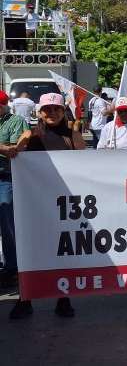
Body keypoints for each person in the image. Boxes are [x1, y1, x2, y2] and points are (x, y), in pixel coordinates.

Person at [8, 93, 85, 319]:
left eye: (56, 109)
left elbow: (86, 163)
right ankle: (26, 299)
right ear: (39, 112)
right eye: (47, 109)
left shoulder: (73, 135)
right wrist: (13, 149)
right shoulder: (31, 134)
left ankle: (63, 298)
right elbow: (16, 153)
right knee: (31, 251)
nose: (51, 113)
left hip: (63, 205)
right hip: (34, 206)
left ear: (63, 111)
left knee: (62, 252)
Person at [0, 90, 29, 289]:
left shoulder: (16, 121)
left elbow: (14, 150)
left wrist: (5, 148)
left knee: (7, 223)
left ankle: (13, 267)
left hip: (6, 178)